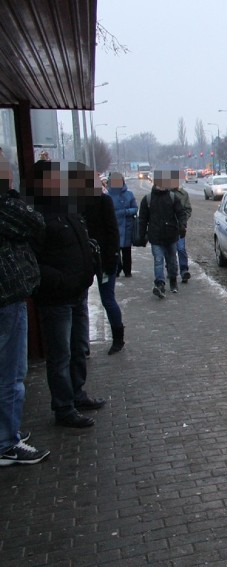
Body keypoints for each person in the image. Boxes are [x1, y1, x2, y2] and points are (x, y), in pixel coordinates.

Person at [31, 160, 105, 429]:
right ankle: (63, 408)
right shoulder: (37, 214)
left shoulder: (66, 208)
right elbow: (33, 261)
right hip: (56, 298)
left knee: (77, 349)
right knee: (60, 355)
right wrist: (60, 280)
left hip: (78, 294)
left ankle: (77, 394)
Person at [0, 154, 50, 464]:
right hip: (6, 299)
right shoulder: (6, 207)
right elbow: (35, 221)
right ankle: (7, 442)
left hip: (8, 298)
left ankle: (8, 431)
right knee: (11, 373)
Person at [82, 171, 125, 355]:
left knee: (107, 299)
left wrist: (113, 257)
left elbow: (112, 231)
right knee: (81, 301)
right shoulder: (77, 204)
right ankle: (82, 345)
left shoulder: (104, 201)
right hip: (85, 259)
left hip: (105, 259)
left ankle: (118, 338)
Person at [138, 170, 188, 298]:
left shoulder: (172, 197)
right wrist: (141, 235)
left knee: (172, 261)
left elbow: (181, 213)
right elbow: (142, 219)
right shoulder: (148, 199)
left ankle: (173, 281)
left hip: (171, 235)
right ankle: (160, 284)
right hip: (155, 236)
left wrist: (182, 226)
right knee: (158, 260)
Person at [106, 172, 137, 277]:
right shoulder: (107, 196)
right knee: (115, 251)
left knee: (127, 251)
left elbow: (135, 208)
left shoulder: (129, 194)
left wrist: (126, 212)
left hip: (127, 226)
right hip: (113, 227)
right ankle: (117, 269)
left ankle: (127, 270)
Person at [172, 181, 192, 283]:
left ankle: (184, 271)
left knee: (181, 248)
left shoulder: (184, 194)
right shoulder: (166, 193)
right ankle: (172, 270)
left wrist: (183, 220)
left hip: (180, 227)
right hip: (169, 227)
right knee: (171, 250)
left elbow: (188, 209)